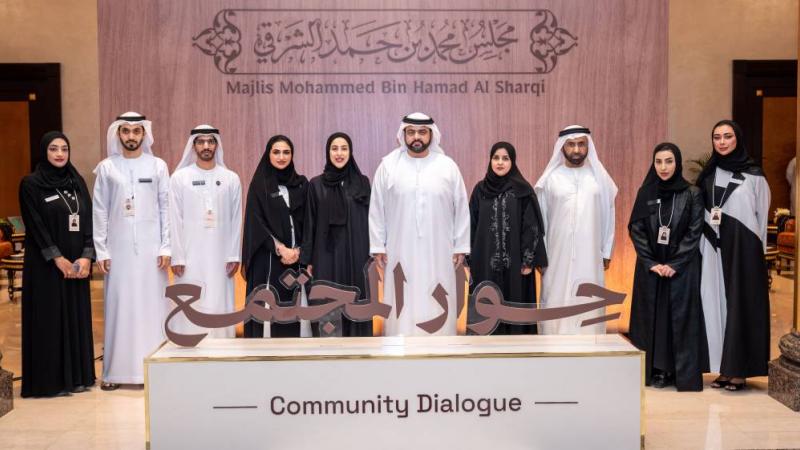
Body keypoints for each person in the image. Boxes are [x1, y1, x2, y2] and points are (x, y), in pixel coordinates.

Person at [369, 112, 470, 336]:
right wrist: (377, 246)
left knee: (438, 293)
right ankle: (399, 344)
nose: (416, 137)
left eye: (422, 132)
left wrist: (461, 246)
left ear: (431, 135)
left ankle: (441, 346)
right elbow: (376, 208)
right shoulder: (388, 166)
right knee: (401, 299)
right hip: (399, 249)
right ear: (403, 134)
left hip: (439, 250)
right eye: (411, 132)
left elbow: (462, 207)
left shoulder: (447, 166)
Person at [93, 112, 171, 390]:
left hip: (152, 253)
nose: (131, 136)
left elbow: (166, 208)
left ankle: (154, 373)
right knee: (120, 307)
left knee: (153, 308)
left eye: (136, 131)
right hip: (118, 251)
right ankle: (115, 373)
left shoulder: (158, 166)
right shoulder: (106, 168)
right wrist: (102, 250)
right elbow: (100, 210)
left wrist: (166, 245)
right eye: (125, 131)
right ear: (118, 134)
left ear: (144, 134)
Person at [18, 131, 96, 397]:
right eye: (53, 149)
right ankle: (49, 382)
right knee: (49, 320)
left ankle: (78, 378)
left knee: (75, 317)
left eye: (64, 148)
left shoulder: (77, 181)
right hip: (45, 266)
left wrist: (86, 255)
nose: (60, 154)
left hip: (77, 265)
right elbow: (35, 225)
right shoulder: (31, 184)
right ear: (44, 151)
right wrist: (57, 258)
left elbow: (88, 219)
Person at [628, 142, 709, 391]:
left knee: (678, 319)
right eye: (659, 162)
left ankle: (676, 371)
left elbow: (695, 231)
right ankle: (654, 369)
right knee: (652, 318)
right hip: (651, 268)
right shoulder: (646, 192)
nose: (663, 167)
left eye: (669, 161)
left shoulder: (692, 193)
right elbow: (636, 229)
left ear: (678, 163)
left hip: (682, 269)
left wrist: (674, 264)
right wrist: (652, 263)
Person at [698, 120, 770, 391]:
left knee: (741, 306)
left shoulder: (754, 176)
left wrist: (759, 257)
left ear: (737, 139)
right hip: (713, 248)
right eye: (717, 137)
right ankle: (724, 368)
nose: (722, 142)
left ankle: (740, 371)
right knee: (717, 306)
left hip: (745, 251)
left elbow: (761, 219)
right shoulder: (707, 175)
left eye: (727, 136)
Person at [534, 125, 617, 335]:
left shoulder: (599, 178)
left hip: (591, 254)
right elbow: (540, 220)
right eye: (571, 144)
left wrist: (607, 250)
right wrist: (541, 254)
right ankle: (553, 347)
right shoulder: (550, 179)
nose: (577, 149)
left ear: (588, 146)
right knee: (556, 298)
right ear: (562, 147)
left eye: (581, 144)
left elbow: (609, 215)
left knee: (589, 298)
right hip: (556, 255)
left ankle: (590, 348)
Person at [169, 125, 242, 338]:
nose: (206, 146)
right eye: (201, 142)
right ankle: (190, 345)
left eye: (211, 141)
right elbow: (174, 219)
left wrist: (233, 255)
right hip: (189, 257)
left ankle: (222, 347)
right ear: (193, 146)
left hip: (221, 257)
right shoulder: (180, 178)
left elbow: (236, 219)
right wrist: (177, 256)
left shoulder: (231, 178)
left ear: (217, 145)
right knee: (191, 300)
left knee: (219, 301)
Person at [468, 142, 547, 334]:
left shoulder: (523, 191)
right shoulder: (480, 190)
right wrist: (470, 258)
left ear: (513, 162)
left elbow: (531, 226)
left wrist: (528, 260)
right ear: (490, 161)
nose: (500, 162)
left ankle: (518, 348)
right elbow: (471, 224)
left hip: (517, 265)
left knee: (515, 304)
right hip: (485, 263)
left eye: (505, 158)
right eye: (496, 158)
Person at [301, 132, 372, 336]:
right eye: (334, 149)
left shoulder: (362, 183)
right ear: (327, 152)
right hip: (326, 255)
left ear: (351, 152)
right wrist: (308, 260)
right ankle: (328, 348)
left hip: (356, 253)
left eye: (344, 148)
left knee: (356, 299)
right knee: (327, 301)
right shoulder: (316, 185)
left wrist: (373, 254)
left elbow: (370, 220)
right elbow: (310, 223)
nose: (339, 153)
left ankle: (359, 348)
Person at [242, 135, 308, 338]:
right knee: (266, 316)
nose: (281, 157)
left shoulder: (302, 184)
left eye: (286, 152)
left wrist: (298, 250)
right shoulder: (259, 185)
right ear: (268, 154)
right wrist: (280, 248)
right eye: (276, 152)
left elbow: (309, 221)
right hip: (267, 257)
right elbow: (255, 222)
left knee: (293, 313)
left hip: (296, 260)